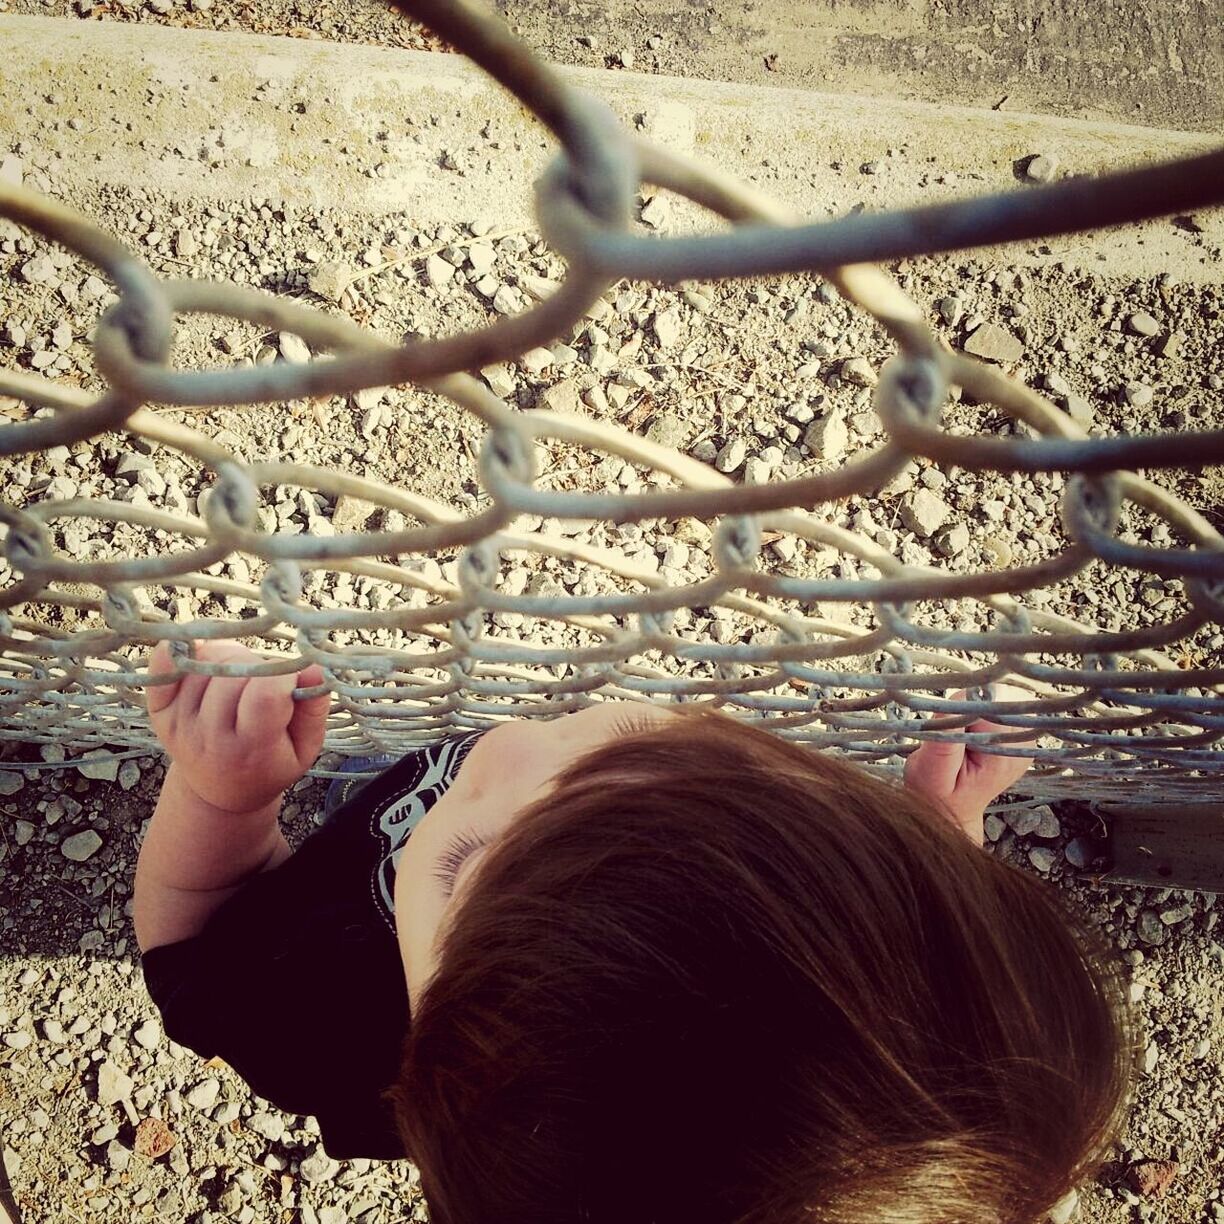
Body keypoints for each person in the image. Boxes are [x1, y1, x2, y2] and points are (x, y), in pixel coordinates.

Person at [135, 639, 1137, 1224]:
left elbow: (182, 940)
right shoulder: (870, 957)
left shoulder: (320, 1028)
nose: (521, 749)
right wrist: (941, 843)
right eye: (640, 745)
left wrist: (224, 800)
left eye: (466, 859)